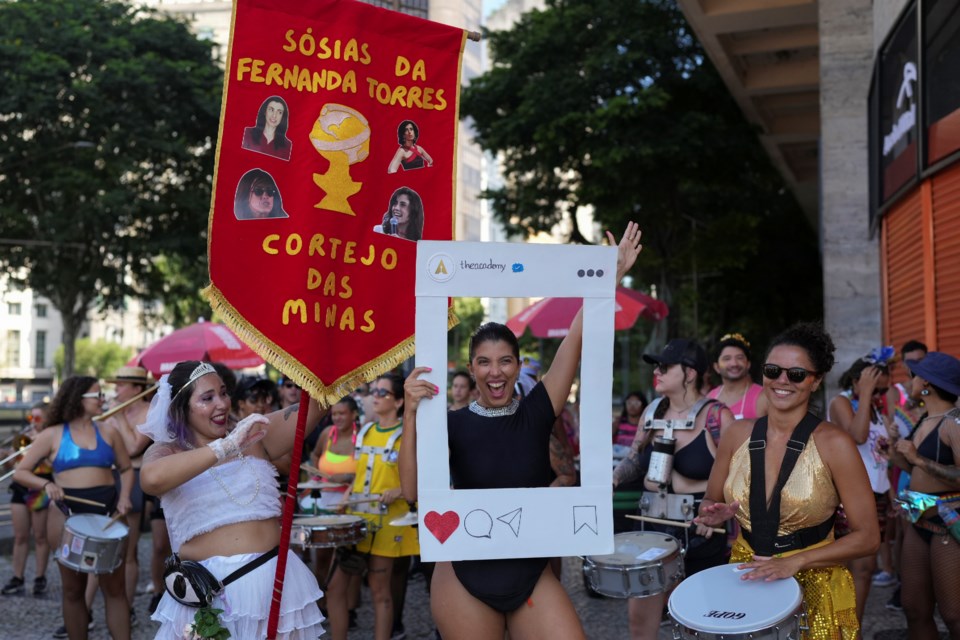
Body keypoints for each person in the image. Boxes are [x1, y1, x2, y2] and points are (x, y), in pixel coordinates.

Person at [399, 222, 643, 640]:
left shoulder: (537, 410)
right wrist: (409, 414)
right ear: (471, 368)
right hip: (463, 573)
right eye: (484, 362)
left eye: (505, 361)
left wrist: (609, 277)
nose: (495, 372)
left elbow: (575, 340)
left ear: (517, 365)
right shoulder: (449, 423)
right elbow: (410, 491)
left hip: (530, 573)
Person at [695, 323, 880, 640]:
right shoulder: (736, 434)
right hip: (747, 573)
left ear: (815, 380)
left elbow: (868, 537)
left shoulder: (835, 443)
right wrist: (717, 512)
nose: (782, 381)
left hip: (815, 581)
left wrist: (795, 562)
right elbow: (710, 501)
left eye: (796, 374)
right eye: (773, 370)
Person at [138, 360, 326, 638]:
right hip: (209, 595)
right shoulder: (167, 451)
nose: (222, 404)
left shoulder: (254, 433)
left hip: (273, 585)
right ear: (181, 407)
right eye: (207, 398)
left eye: (224, 393)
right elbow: (151, 480)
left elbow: (320, 403)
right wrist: (226, 446)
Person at [612, 338, 734, 640]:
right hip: (653, 522)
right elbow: (634, 460)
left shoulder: (718, 417)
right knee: (640, 623)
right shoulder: (652, 412)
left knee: (700, 621)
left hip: (701, 528)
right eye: (656, 367)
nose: (658, 372)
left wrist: (719, 513)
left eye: (665, 367)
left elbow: (741, 476)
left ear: (690, 373)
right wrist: (612, 481)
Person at [13, 376, 133, 640]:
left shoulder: (109, 431)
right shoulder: (52, 434)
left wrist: (124, 496)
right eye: (97, 395)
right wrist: (46, 485)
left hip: (107, 511)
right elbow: (21, 472)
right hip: (67, 512)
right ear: (78, 399)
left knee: (114, 590)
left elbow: (125, 469)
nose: (103, 399)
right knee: (72, 590)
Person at [325, 373, 418, 640]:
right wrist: (346, 498)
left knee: (380, 590)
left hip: (388, 523)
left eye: (382, 393)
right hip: (357, 519)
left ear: (399, 401)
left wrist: (399, 490)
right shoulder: (364, 431)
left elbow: (423, 476)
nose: (374, 397)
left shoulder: (408, 435)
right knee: (334, 587)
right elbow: (360, 475)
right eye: (373, 391)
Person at [887, 351, 960, 638]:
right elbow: (913, 469)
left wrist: (917, 459)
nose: (910, 381)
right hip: (918, 522)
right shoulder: (923, 420)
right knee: (914, 609)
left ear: (928, 383)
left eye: (915, 376)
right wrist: (894, 449)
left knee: (954, 615)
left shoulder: (954, 421)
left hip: (947, 527)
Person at [827, 347, 895, 624]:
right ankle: (837, 626)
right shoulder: (840, 402)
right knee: (844, 567)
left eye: (882, 391)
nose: (880, 396)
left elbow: (880, 458)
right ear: (856, 381)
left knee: (866, 569)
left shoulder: (877, 410)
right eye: (875, 389)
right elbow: (857, 435)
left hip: (876, 495)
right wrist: (865, 394)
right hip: (849, 495)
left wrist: (890, 494)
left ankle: (854, 628)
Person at [102, 365, 154, 627]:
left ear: (136, 389)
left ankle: (128, 606)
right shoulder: (111, 414)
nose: (116, 389)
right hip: (107, 477)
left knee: (128, 552)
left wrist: (120, 416)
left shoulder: (148, 412)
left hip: (133, 477)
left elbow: (134, 446)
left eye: (121, 385)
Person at [1, 402, 51, 598]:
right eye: (31, 417)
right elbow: (11, 467)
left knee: (40, 536)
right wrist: (13, 452)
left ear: (47, 418)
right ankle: (17, 577)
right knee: (20, 536)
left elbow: (53, 464)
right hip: (20, 488)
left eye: (37, 418)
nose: (33, 421)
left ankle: (40, 578)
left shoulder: (50, 437)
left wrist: (37, 446)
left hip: (41, 486)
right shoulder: (26, 435)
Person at [708, 333, 767, 419]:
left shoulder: (764, 397)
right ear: (716, 367)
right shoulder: (710, 398)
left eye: (739, 358)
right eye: (727, 359)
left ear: (748, 364)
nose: (734, 364)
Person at [241, 95, 292, 160]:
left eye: (279, 112)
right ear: (265, 111)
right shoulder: (247, 133)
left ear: (283, 117)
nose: (274, 115)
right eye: (271, 109)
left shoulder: (288, 146)